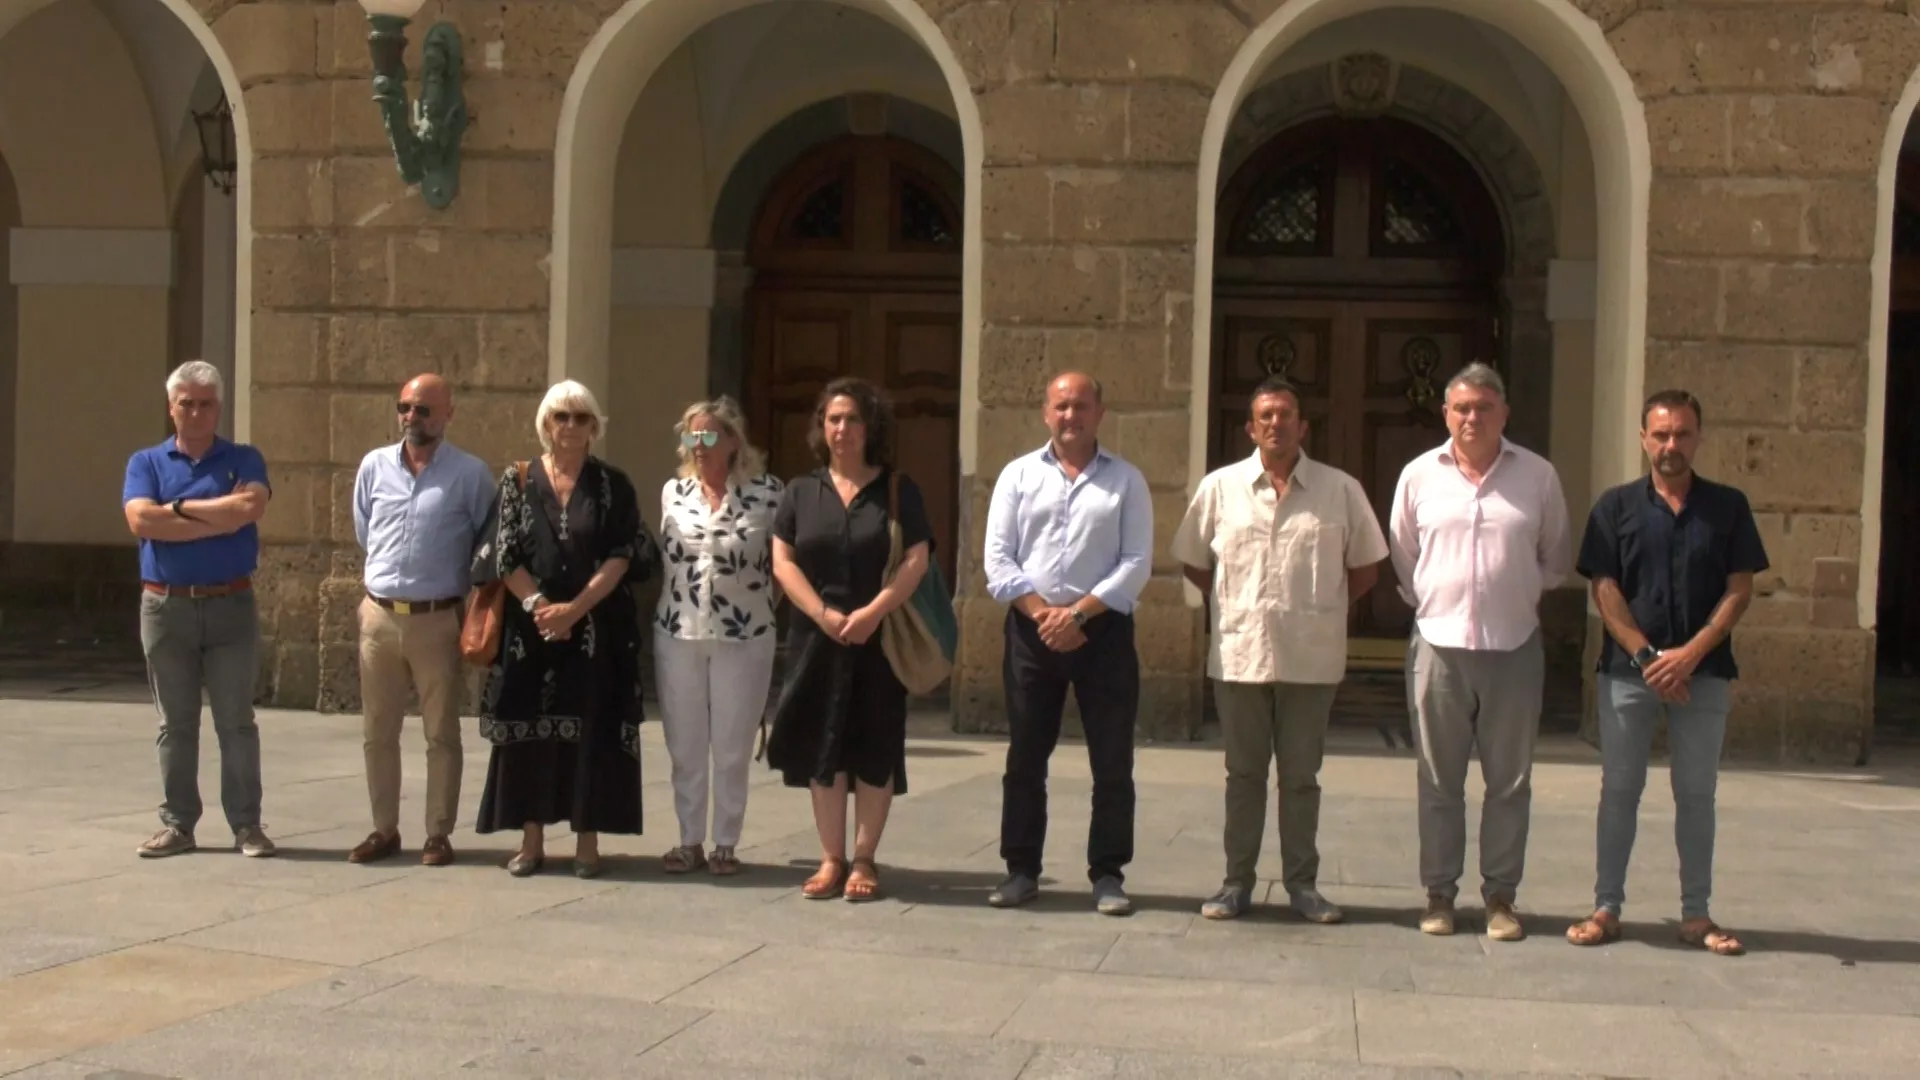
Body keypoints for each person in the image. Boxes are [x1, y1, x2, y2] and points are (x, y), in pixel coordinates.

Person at [1172, 376, 1389, 923]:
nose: (1275, 423)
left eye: (1285, 414)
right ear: (1250, 427)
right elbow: (1196, 560)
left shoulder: (1340, 490)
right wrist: (1236, 603)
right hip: (1240, 654)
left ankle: (1303, 885)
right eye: (1265, 416)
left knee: (1300, 778)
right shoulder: (1220, 488)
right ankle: (1235, 883)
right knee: (1243, 776)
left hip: (1310, 658)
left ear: (1302, 426)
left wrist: (1321, 604)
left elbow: (1364, 568)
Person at [1567, 390, 1767, 957]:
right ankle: (1607, 907)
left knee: (1697, 794)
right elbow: (1604, 588)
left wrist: (1691, 653)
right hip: (1629, 675)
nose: (1670, 445)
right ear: (1643, 438)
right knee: (1620, 792)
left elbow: (1740, 588)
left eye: (1681, 433)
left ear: (1698, 437)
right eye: (1660, 434)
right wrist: (1648, 657)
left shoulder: (1728, 507)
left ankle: (1696, 914)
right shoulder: (1615, 508)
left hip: (1703, 674)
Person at [1388, 362, 1571, 941]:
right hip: (1439, 646)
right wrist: (1440, 600)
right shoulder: (1419, 476)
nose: (1472, 417)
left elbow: (1556, 557)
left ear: (1504, 413)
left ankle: (1500, 898)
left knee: (1509, 781)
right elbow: (1404, 554)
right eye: (1462, 408)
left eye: (1484, 408)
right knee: (1438, 780)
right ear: (1446, 413)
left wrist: (1512, 596)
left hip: (1514, 645)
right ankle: (1439, 895)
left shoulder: (1537, 477)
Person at [471, 380, 659, 878]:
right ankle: (531, 842)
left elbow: (622, 554)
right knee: (530, 730)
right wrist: (538, 605)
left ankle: (587, 841)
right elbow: (503, 553)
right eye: (561, 417)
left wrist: (574, 609)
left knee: (590, 729)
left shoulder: (612, 485)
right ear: (546, 424)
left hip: (595, 629)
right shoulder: (517, 480)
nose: (570, 426)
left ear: (595, 427)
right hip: (529, 631)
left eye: (581, 418)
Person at [981, 372, 1152, 916]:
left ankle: (1108, 873)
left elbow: (1136, 563)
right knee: (1026, 755)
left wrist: (1078, 613)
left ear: (1100, 412)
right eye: (1061, 406)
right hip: (1032, 630)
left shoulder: (1126, 481)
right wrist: (1043, 615)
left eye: (1081, 406)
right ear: (1044, 412)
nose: (1070, 415)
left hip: (1102, 631)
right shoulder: (1017, 476)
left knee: (1112, 759)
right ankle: (1021, 869)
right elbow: (998, 560)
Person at [766, 377, 932, 903]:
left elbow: (917, 559)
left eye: (853, 419)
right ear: (822, 427)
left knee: (874, 745)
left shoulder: (899, 490)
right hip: (816, 638)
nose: (842, 429)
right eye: (833, 419)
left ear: (870, 428)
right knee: (824, 749)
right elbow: (782, 560)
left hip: (877, 640)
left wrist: (872, 612)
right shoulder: (799, 491)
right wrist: (820, 613)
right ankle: (831, 857)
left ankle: (864, 858)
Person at [121, 360, 275, 859]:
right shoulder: (145, 462)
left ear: (219, 409)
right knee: (176, 723)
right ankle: (178, 823)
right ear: (171, 408)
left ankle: (247, 825)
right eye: (185, 402)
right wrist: (215, 515)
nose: (195, 411)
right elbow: (142, 520)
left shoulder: (243, 458)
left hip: (229, 603)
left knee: (236, 721)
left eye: (205, 403)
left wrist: (179, 512)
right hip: (166, 606)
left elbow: (250, 508)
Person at [348, 374, 496, 867]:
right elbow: (365, 531)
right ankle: (383, 828)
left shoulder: (471, 474)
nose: (412, 417)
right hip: (381, 616)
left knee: (440, 732)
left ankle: (437, 833)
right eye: (405, 407)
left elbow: (485, 542)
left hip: (437, 618)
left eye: (424, 410)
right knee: (378, 730)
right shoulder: (374, 466)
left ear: (448, 414)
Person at [654, 397, 785, 876]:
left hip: (745, 634)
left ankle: (725, 842)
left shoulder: (769, 493)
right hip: (678, 630)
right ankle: (689, 841)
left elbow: (783, 566)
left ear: (733, 441)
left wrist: (761, 607)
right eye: (691, 436)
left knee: (731, 744)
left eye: (709, 436)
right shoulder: (674, 492)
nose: (699, 445)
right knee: (685, 743)